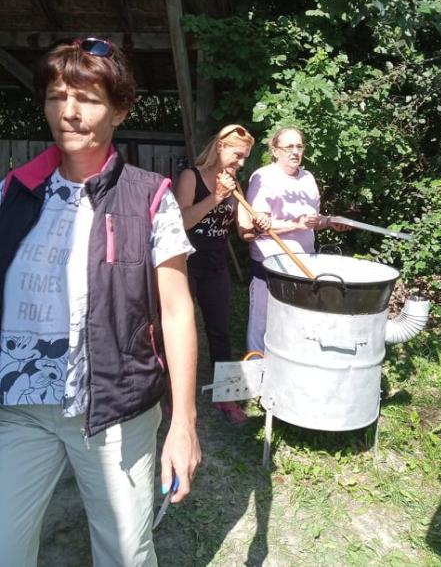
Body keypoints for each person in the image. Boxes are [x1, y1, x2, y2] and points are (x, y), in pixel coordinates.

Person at [0, 38, 200, 567]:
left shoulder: (150, 197)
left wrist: (183, 423)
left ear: (119, 110)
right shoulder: (12, 192)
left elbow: (177, 311)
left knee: (125, 554)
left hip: (115, 409)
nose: (68, 111)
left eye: (87, 99)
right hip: (20, 407)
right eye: (56, 96)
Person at [175, 125, 269, 424]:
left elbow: (243, 231)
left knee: (220, 330)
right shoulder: (191, 177)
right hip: (185, 265)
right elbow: (182, 221)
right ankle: (172, 397)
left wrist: (258, 227)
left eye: (245, 158)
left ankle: (225, 397)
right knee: (177, 331)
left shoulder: (234, 185)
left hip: (216, 266)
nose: (241, 163)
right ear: (220, 147)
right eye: (237, 155)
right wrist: (216, 197)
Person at [244, 126, 349, 354]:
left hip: (303, 261)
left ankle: (288, 362)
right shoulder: (263, 178)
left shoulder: (307, 178)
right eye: (289, 147)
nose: (295, 152)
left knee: (294, 318)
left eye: (299, 146)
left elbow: (312, 221)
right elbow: (257, 226)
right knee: (262, 320)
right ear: (275, 150)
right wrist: (295, 224)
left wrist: (329, 221)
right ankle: (256, 364)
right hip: (270, 262)